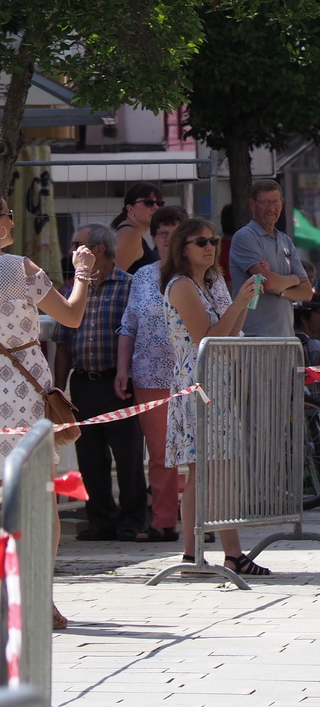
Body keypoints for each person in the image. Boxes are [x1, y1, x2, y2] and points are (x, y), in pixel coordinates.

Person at [1, 199, 97, 630]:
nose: (11, 218)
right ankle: (38, 597)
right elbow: (72, 315)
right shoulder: (17, 269)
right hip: (20, 393)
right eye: (5, 212)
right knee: (41, 500)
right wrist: (83, 272)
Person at [161, 216, 267, 575]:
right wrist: (237, 303)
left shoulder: (206, 283)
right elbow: (205, 336)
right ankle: (225, 554)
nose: (209, 247)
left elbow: (227, 334)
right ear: (183, 249)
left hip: (215, 381)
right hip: (198, 383)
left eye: (212, 240)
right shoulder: (181, 285)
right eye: (200, 242)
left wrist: (243, 303)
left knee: (210, 470)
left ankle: (199, 554)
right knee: (213, 470)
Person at [52, 224, 146, 542]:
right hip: (83, 383)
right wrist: (58, 387)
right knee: (90, 458)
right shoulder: (73, 289)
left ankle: (132, 520)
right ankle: (100, 521)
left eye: (78, 244)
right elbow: (64, 343)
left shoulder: (130, 286)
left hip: (119, 383)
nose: (72, 250)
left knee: (129, 456)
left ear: (98, 250)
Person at [116, 205, 189, 543]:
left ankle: (198, 521)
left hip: (193, 377)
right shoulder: (143, 276)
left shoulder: (204, 274)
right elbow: (128, 324)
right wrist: (122, 368)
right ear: (154, 237)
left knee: (197, 453)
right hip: (149, 377)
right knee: (160, 454)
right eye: (162, 233)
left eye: (175, 234)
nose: (167, 240)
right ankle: (163, 522)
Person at [226, 179, 314, 338]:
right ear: (252, 204)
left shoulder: (285, 240)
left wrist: (280, 290)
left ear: (282, 203)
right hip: (252, 337)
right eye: (265, 202)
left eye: (275, 202)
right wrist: (294, 279)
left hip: (285, 337)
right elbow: (268, 282)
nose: (271, 208)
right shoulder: (245, 237)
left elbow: (307, 292)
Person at [111, 182, 163, 272]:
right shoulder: (129, 234)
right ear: (130, 209)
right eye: (149, 203)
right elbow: (112, 277)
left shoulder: (131, 232)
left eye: (159, 203)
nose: (156, 207)